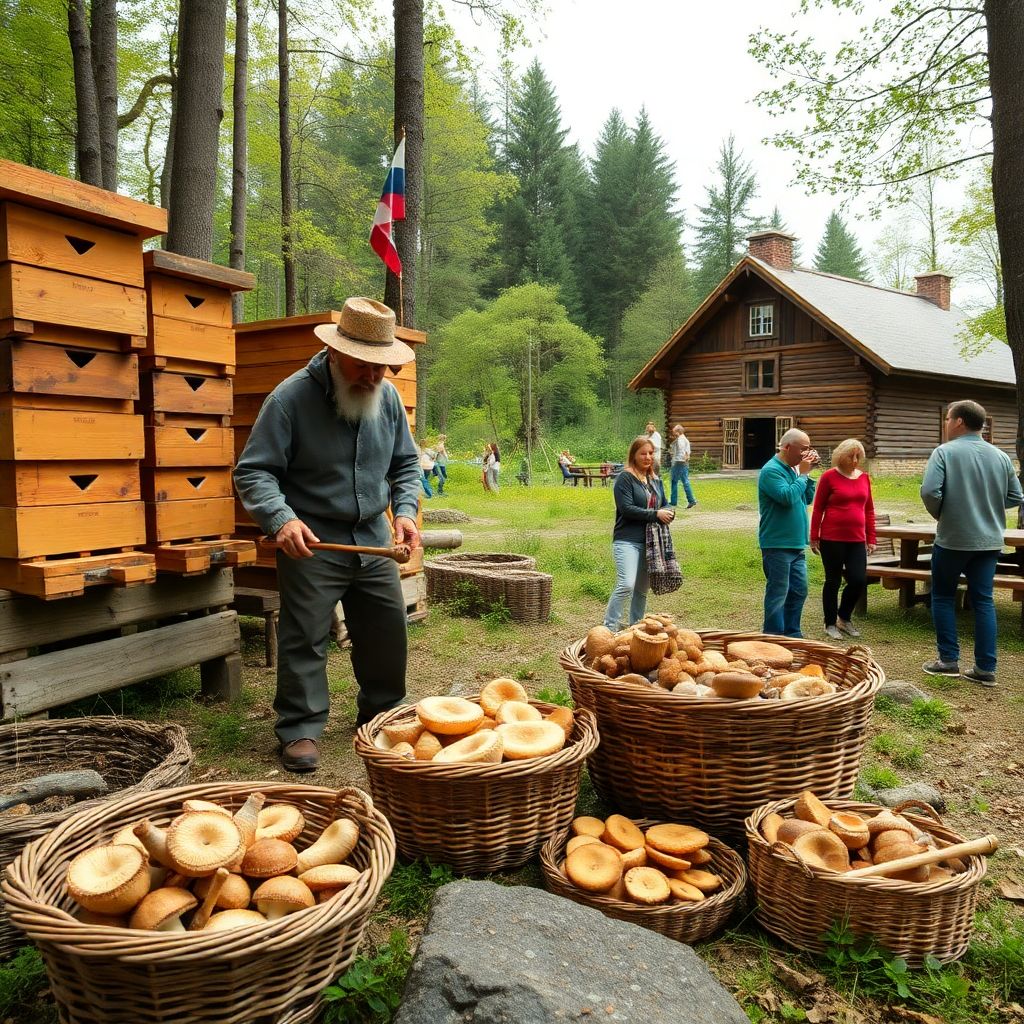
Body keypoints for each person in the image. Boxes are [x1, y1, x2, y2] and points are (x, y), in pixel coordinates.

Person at [234, 296, 422, 773]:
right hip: (312, 541)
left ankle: (381, 713)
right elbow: (254, 473)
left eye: (383, 369)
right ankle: (299, 727)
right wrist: (282, 520)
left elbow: (404, 464)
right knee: (305, 635)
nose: (375, 378)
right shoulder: (289, 399)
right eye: (366, 366)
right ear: (337, 353)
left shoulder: (389, 400)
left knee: (386, 627)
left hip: (373, 537)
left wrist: (404, 512)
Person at [920, 400, 1023, 686]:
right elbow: (1016, 496)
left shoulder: (944, 453)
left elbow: (929, 491)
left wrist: (943, 512)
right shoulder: (1000, 456)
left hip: (953, 539)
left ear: (959, 422)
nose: (945, 422)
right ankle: (986, 669)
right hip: (989, 541)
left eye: (947, 417)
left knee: (941, 596)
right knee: (984, 601)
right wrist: (988, 505)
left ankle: (948, 660)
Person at [604, 436, 674, 630]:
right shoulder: (625, 478)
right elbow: (626, 508)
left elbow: (665, 502)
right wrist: (656, 514)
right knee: (626, 584)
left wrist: (668, 511)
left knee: (642, 590)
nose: (647, 457)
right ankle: (609, 627)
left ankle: (636, 627)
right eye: (643, 453)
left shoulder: (654, 479)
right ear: (633, 455)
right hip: (627, 540)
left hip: (651, 542)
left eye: (651, 453)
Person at [810, 439, 876, 641]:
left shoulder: (864, 478)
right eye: (851, 456)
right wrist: (814, 536)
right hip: (832, 538)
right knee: (833, 580)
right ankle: (829, 623)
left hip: (856, 539)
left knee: (858, 580)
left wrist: (871, 537)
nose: (855, 460)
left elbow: (869, 510)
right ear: (840, 456)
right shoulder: (829, 477)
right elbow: (818, 507)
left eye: (858, 456)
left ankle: (844, 617)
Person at [758, 428, 820, 637]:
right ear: (786, 447)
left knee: (798, 590)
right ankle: (773, 637)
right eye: (803, 449)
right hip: (777, 544)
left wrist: (807, 475)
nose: (806, 454)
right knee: (778, 594)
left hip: (795, 544)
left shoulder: (794, 469)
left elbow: (806, 498)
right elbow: (786, 497)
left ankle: (792, 634)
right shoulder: (771, 470)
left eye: (809, 449)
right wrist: (802, 474)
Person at [668, 424, 697, 508]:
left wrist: (675, 455)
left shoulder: (680, 440)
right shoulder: (685, 439)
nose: (674, 434)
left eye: (674, 432)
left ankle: (676, 501)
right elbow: (687, 452)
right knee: (684, 481)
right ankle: (691, 500)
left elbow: (681, 451)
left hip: (678, 462)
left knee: (675, 481)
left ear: (678, 431)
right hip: (682, 462)